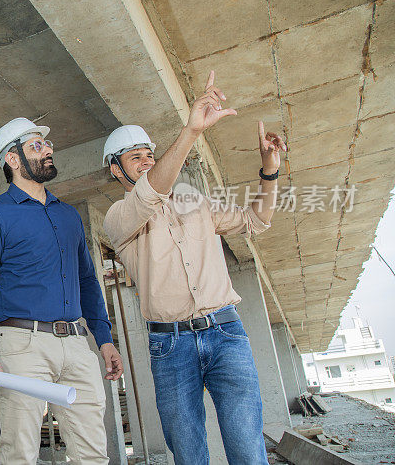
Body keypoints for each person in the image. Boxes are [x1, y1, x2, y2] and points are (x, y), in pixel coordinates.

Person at [102, 71, 287, 465]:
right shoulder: (119, 219)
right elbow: (153, 191)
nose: (147, 161)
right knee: (188, 454)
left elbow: (256, 221)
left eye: (149, 154)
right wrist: (191, 131)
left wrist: (269, 171)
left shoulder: (194, 200)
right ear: (116, 171)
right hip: (170, 346)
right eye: (135, 158)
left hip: (225, 331)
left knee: (248, 450)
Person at [0, 117, 124, 465]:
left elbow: (88, 281)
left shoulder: (68, 215)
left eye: (47, 144)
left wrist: (104, 338)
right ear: (12, 160)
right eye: (36, 145)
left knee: (94, 454)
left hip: (78, 345)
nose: (47, 149)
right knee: (21, 453)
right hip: (21, 347)